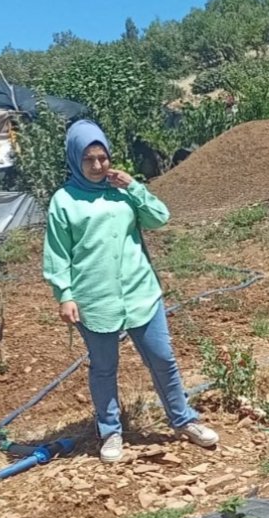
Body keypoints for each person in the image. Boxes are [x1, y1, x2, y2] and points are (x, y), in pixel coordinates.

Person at [43, 120, 219, 464]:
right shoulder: (63, 201)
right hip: (95, 299)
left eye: (103, 158)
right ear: (75, 160)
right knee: (104, 368)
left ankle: (183, 420)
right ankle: (110, 431)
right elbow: (57, 253)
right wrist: (64, 294)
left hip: (141, 291)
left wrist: (134, 186)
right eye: (89, 159)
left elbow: (159, 218)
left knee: (162, 359)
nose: (97, 166)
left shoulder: (121, 190)